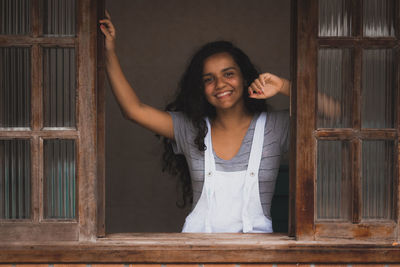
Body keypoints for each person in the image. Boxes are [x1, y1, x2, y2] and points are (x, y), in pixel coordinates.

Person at [100, 12, 290, 233]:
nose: (220, 84)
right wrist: (109, 51)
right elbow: (133, 110)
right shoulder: (190, 128)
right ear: (201, 88)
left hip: (258, 258)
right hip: (197, 255)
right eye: (208, 79)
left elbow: (334, 114)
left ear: (245, 77)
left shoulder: (275, 127)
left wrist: (285, 86)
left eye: (228, 74)